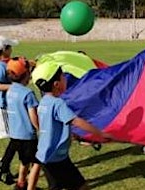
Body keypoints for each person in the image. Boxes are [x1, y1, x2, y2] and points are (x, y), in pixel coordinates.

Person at [31, 61, 113, 190]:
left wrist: (76, 136)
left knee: (73, 186)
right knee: (80, 186)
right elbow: (76, 121)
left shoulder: (44, 102)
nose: (66, 78)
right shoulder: (58, 103)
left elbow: (53, 125)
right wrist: (100, 133)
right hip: (55, 157)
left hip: (48, 155)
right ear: (56, 84)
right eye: (63, 76)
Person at [6, 57, 41, 190]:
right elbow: (33, 115)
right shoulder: (28, 93)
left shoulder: (10, 90)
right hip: (28, 135)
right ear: (26, 75)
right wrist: (40, 128)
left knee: (24, 160)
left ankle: (21, 183)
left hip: (15, 134)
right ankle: (30, 187)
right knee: (36, 162)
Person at [0, 35, 18, 184]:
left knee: (16, 139)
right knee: (16, 139)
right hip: (2, 107)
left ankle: (2, 168)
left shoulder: (1, 64)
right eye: (9, 47)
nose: (11, 49)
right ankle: (3, 168)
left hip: (6, 106)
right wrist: (16, 87)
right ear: (3, 49)